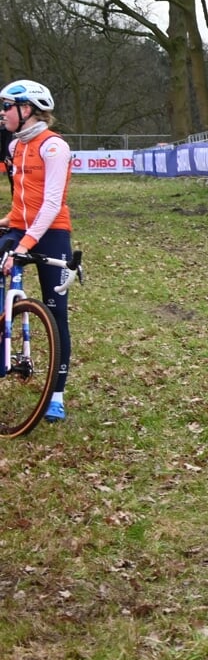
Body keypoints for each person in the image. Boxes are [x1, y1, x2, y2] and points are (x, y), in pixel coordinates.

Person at [0, 79, 74, 422]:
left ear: (25, 109)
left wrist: (26, 243)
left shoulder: (54, 147)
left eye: (6, 107)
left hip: (52, 232)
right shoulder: (15, 147)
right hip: (21, 228)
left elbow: (51, 203)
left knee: (57, 313)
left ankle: (56, 395)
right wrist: (9, 223)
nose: (1, 114)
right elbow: (21, 200)